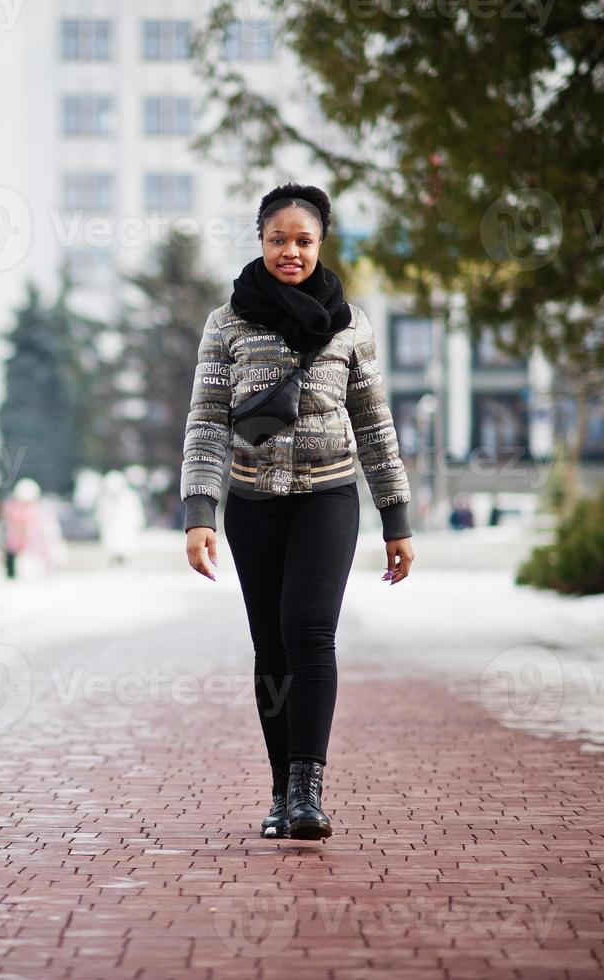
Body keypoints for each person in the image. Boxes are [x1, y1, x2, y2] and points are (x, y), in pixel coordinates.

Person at [179, 183, 416, 842]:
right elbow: (206, 421)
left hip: (328, 496)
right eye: (278, 239)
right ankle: (281, 789)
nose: (290, 250)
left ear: (320, 245)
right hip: (252, 504)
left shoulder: (350, 323)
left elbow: (372, 422)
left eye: (303, 240)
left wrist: (395, 515)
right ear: (260, 240)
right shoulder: (226, 322)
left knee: (309, 632)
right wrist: (199, 509)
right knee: (271, 645)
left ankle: (308, 789)